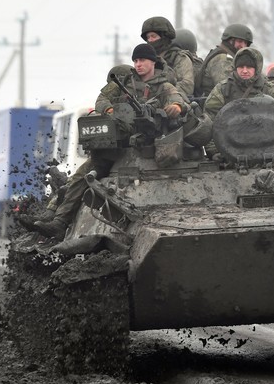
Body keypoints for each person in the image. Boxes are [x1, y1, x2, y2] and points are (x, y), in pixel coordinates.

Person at [30, 44, 188, 240]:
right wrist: (109, 110)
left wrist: (175, 107)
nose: (138, 64)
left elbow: (178, 100)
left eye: (142, 60)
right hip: (118, 150)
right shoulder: (122, 82)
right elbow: (102, 99)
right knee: (81, 177)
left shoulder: (164, 86)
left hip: (154, 149)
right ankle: (60, 222)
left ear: (152, 62)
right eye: (135, 61)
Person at [204, 46, 274, 120]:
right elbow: (211, 115)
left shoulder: (270, 90)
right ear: (235, 68)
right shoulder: (223, 89)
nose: (244, 71)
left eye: (249, 67)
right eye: (241, 67)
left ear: (256, 69)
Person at [141, 16, 195, 98]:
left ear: (164, 37)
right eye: (148, 37)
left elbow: (186, 85)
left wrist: (162, 96)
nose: (150, 40)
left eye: (153, 36)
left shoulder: (179, 58)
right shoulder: (146, 60)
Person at [195, 23, 254, 97]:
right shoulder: (222, 59)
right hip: (215, 105)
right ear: (230, 41)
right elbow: (227, 89)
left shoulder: (230, 57)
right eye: (240, 41)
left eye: (245, 43)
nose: (243, 46)